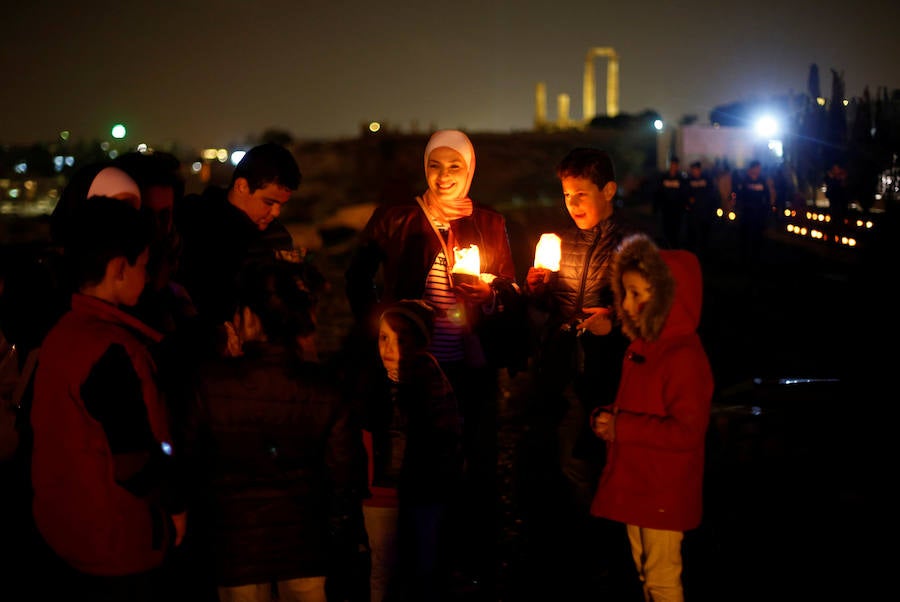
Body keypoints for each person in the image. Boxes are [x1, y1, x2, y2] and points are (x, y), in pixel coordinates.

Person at [345, 129, 525, 596]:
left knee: (470, 469)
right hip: (410, 371)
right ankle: (406, 566)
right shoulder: (397, 217)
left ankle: (463, 564)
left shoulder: (490, 222)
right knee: (412, 468)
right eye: (434, 166)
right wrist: (383, 323)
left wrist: (490, 294)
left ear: (471, 170)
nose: (444, 177)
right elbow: (357, 276)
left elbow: (510, 290)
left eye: (455, 167)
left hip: (469, 370)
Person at [29, 196, 186, 601]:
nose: (149, 276)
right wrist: (175, 509)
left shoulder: (63, 331)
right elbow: (133, 460)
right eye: (144, 265)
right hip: (119, 541)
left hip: (65, 531)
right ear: (119, 268)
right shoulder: (112, 348)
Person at [180, 259, 359, 602]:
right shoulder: (324, 389)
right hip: (307, 546)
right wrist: (339, 535)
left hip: (235, 548)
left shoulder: (209, 383)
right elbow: (343, 476)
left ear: (248, 317)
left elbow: (189, 462)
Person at [523, 146, 641, 594]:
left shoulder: (633, 243)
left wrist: (615, 320)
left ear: (608, 190)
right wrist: (538, 291)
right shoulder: (562, 241)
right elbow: (551, 310)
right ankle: (586, 548)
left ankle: (618, 554)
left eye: (580, 194)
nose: (572, 205)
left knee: (608, 459)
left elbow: (653, 308)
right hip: (566, 369)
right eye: (566, 195)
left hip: (613, 371)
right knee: (570, 461)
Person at [590, 233, 713, 602]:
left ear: (666, 297)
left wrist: (621, 426)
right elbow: (643, 406)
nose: (626, 304)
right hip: (639, 480)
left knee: (661, 579)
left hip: (662, 486)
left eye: (637, 294)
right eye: (624, 292)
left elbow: (687, 431)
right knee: (645, 570)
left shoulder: (683, 356)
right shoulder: (645, 347)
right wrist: (610, 419)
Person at [360, 299, 463, 601]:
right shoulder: (371, 383)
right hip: (379, 492)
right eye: (384, 337)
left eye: (402, 338)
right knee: (382, 569)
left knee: (422, 569)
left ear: (420, 342)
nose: (390, 349)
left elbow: (448, 440)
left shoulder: (432, 384)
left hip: (424, 492)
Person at [176, 142, 303, 355]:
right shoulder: (194, 223)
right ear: (242, 186)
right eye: (269, 202)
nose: (276, 213)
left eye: (281, 205)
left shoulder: (276, 237)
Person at [732, 159, 773, 271]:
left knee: (758, 238)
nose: (759, 170)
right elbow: (738, 196)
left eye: (759, 168)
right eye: (757, 168)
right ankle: (744, 261)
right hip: (747, 215)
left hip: (759, 215)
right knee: (745, 238)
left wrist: (767, 209)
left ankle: (756, 260)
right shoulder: (744, 182)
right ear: (752, 169)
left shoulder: (762, 181)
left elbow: (767, 196)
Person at [684, 160, 718, 259]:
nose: (694, 172)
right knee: (692, 235)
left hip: (705, 213)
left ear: (699, 170)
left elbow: (712, 195)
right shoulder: (689, 180)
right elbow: (684, 194)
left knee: (705, 234)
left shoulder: (707, 180)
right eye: (692, 170)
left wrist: (712, 209)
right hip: (693, 214)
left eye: (695, 169)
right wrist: (688, 202)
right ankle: (692, 254)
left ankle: (705, 255)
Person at [654, 156, 689, 249]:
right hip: (666, 210)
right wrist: (657, 207)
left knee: (676, 232)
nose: (673, 167)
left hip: (678, 211)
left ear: (677, 166)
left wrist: (685, 207)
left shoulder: (681, 179)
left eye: (675, 165)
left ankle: (675, 249)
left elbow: (685, 193)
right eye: (672, 165)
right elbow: (658, 193)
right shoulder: (663, 177)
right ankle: (668, 249)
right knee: (666, 231)